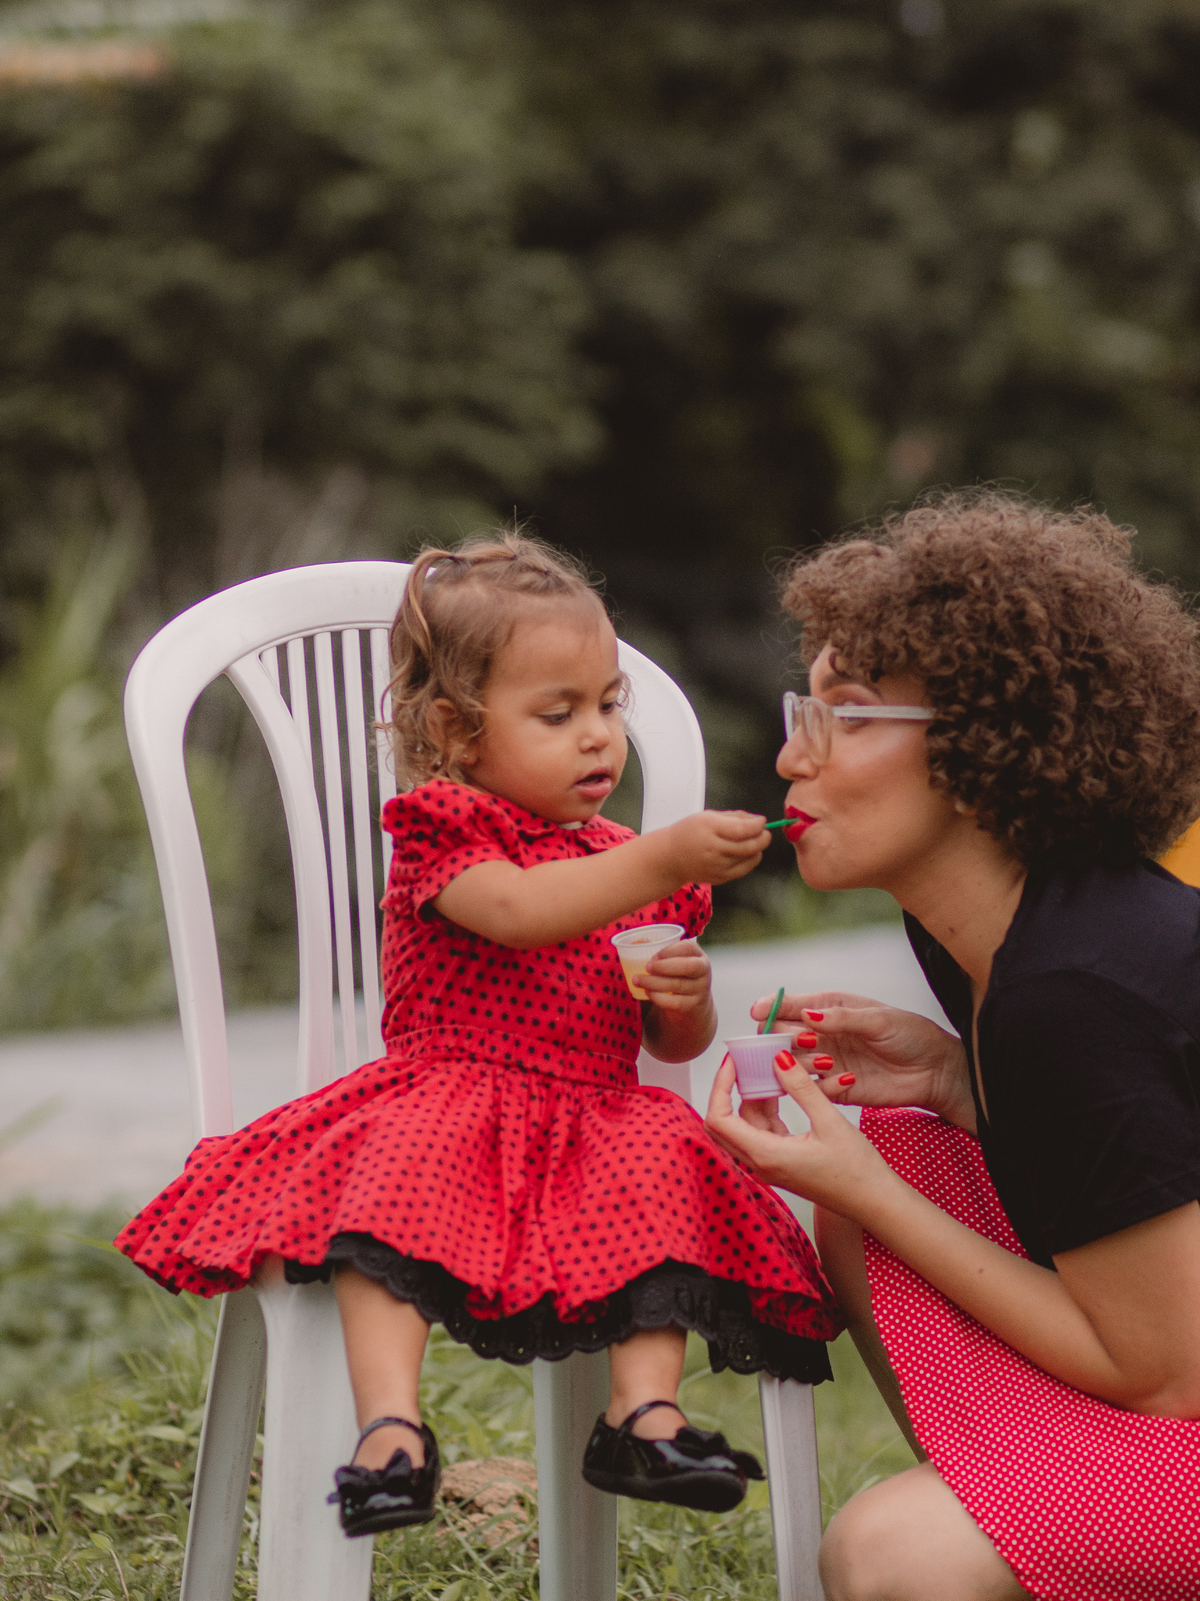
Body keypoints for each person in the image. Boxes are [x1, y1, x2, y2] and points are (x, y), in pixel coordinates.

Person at [117, 530, 839, 1539]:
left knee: (670, 1166)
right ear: (458, 731)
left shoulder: (624, 858)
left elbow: (672, 1048)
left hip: (590, 1123)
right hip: (449, 1098)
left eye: (608, 706)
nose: (598, 737)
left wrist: (682, 994)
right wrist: (661, 856)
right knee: (386, 1203)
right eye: (559, 714)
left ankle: (645, 1414)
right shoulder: (443, 826)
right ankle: (391, 1429)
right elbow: (516, 911)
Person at [707, 492, 1200, 1601]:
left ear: (984, 749)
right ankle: (1040, 1519)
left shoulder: (1070, 986)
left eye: (846, 714)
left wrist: (872, 1189)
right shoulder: (983, 943)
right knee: (894, 1166)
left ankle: (1019, 1530)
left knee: (894, 1555)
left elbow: (1169, 1376)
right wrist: (956, 1086)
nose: (793, 756)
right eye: (805, 707)